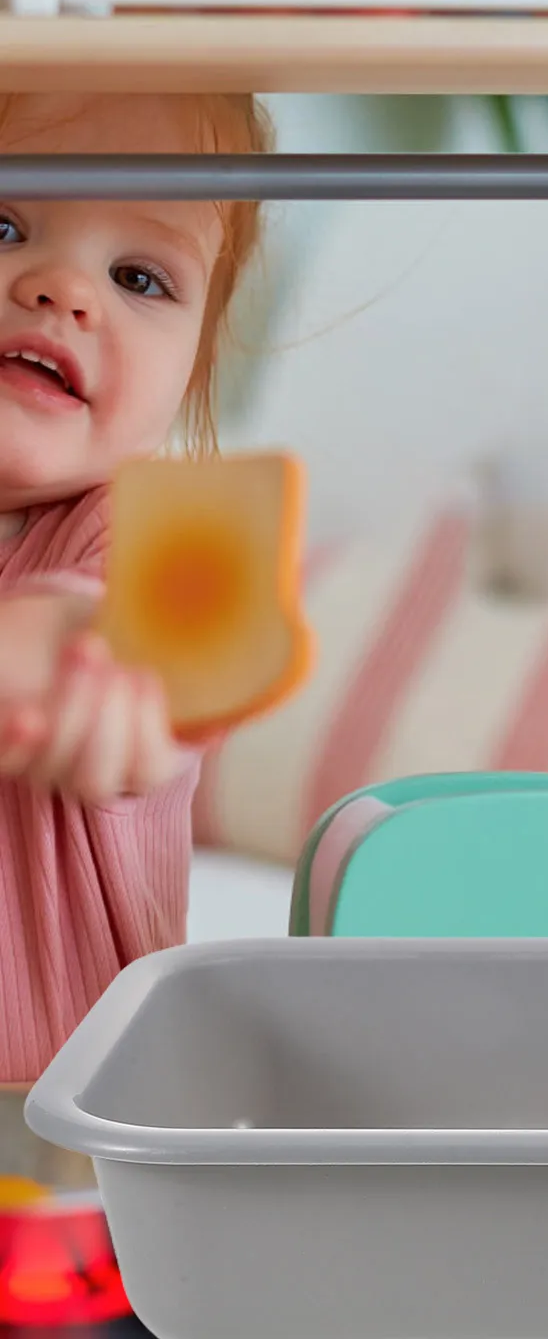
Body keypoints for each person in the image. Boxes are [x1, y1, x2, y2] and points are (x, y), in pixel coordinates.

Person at [0, 93, 271, 1082]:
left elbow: (137, 642)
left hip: (62, 1148)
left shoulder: (152, 535)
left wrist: (74, 648)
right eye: (4, 223)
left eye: (139, 276)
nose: (67, 289)